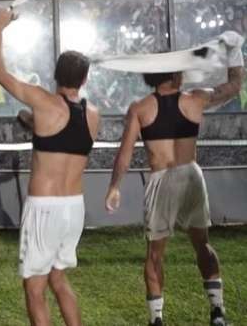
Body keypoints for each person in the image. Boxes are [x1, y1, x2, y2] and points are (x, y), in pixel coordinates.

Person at [105, 35, 244, 326]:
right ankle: (217, 312)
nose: (183, 73)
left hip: (162, 180)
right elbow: (234, 86)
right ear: (172, 74)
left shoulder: (140, 108)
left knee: (155, 252)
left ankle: (157, 319)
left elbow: (124, 154)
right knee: (201, 244)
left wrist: (115, 187)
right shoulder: (196, 99)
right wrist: (236, 51)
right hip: (190, 174)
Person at [0, 8, 99, 326]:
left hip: (45, 209)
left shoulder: (43, 101)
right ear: (85, 78)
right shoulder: (94, 115)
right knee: (59, 279)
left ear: (55, 75)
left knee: (34, 287)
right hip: (73, 209)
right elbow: (62, 133)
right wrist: (32, 121)